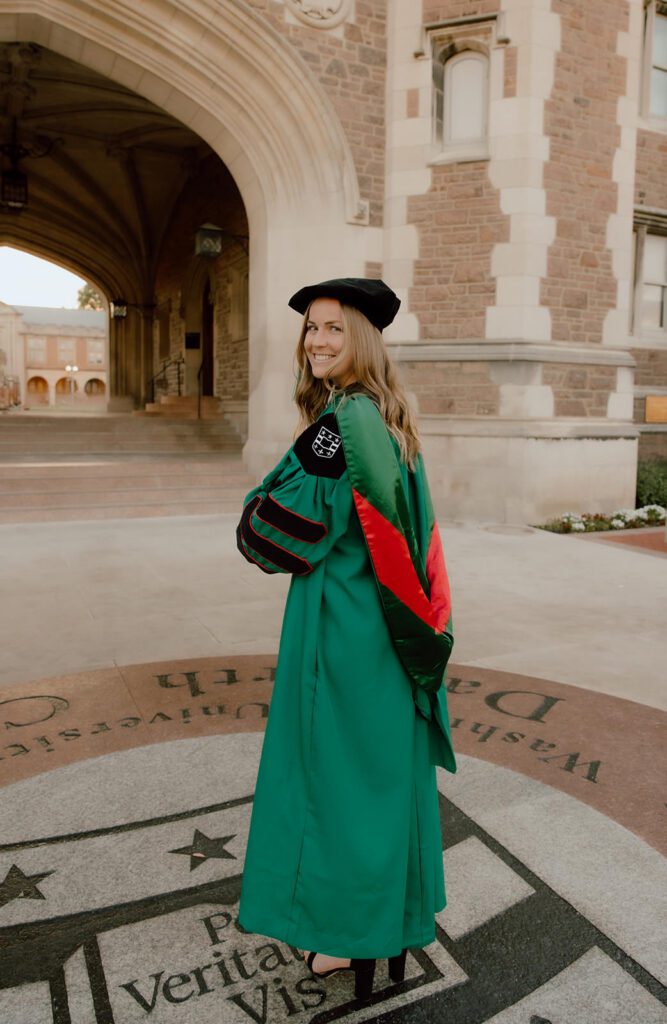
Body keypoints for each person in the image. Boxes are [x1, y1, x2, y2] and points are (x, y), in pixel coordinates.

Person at [236, 278, 457, 1002]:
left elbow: (270, 540)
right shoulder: (384, 415)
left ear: (359, 338)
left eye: (332, 328)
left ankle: (343, 938)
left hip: (343, 635)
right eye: (310, 330)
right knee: (377, 784)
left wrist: (254, 505)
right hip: (382, 632)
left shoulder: (340, 427)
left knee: (336, 791)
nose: (317, 341)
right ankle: (379, 928)